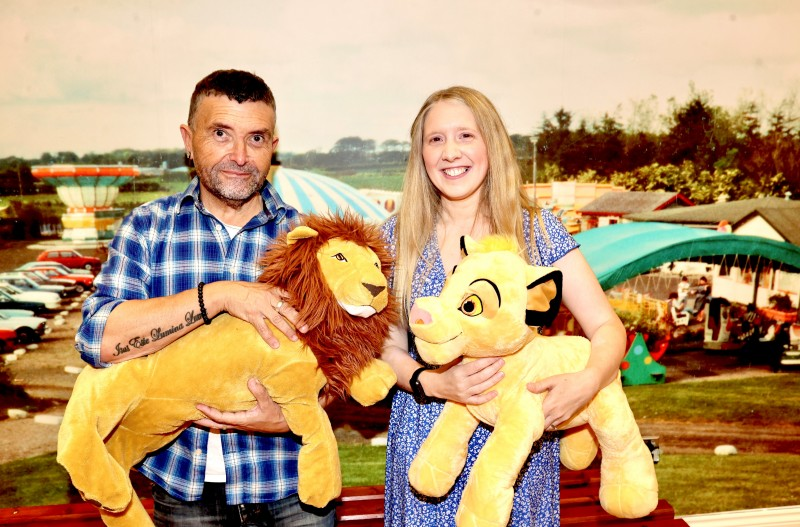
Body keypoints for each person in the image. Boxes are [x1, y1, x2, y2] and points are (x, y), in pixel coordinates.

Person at [75, 70, 335, 526]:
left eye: (256, 138)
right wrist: (216, 297)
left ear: (274, 145)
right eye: (220, 134)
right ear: (188, 139)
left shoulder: (308, 239)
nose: (239, 156)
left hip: (292, 487)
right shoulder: (147, 227)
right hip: (183, 490)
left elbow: (342, 361)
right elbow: (98, 339)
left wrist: (296, 415)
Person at [379, 86, 627, 526]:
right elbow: (389, 348)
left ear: (491, 144)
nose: (450, 152)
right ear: (420, 154)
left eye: (465, 136)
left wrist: (587, 382)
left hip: (517, 452)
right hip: (426, 443)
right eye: (436, 139)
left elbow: (608, 327)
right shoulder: (396, 237)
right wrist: (436, 384)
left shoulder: (538, 230)